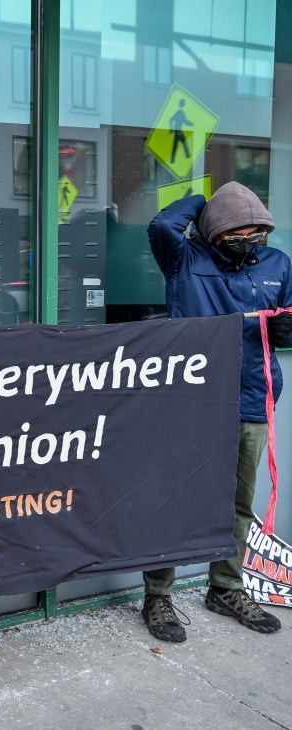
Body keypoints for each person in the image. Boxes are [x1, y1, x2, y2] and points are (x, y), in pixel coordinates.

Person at [143, 181, 292, 643]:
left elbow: (284, 330)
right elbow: (161, 223)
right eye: (237, 233)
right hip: (189, 402)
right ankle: (158, 595)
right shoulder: (185, 259)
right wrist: (210, 205)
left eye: (257, 232)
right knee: (172, 500)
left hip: (251, 397)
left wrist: (287, 330)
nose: (250, 242)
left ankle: (224, 587)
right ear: (215, 233)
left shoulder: (278, 265)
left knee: (237, 503)